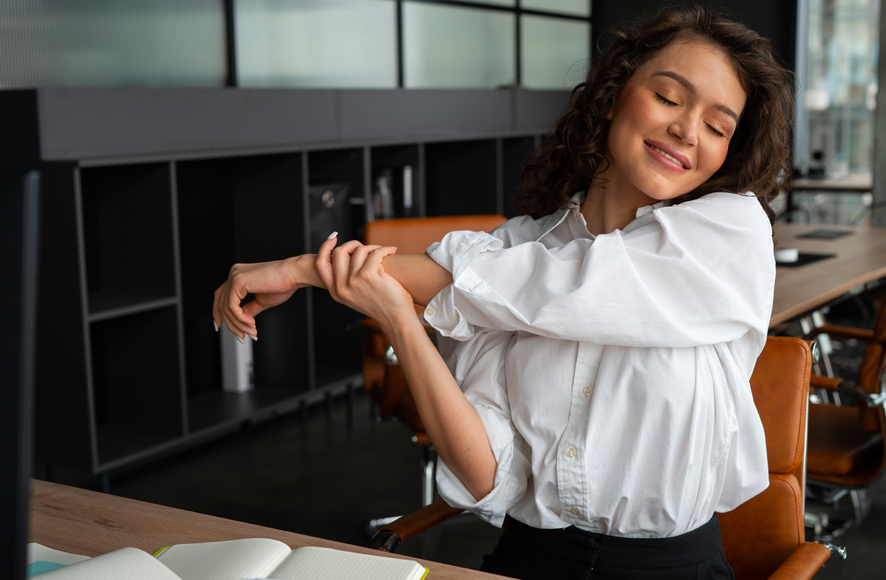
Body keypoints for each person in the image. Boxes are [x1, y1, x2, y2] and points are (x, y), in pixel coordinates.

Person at [213, 6, 793, 579]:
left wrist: (302, 269)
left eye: (718, 126)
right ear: (615, 92)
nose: (688, 131)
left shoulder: (730, 232)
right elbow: (489, 474)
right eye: (669, 97)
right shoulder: (508, 254)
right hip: (530, 560)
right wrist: (400, 319)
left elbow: (560, 288)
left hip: (673, 571)